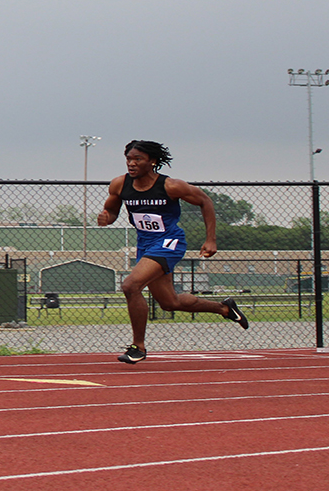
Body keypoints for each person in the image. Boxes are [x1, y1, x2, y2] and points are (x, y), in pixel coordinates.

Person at [97, 140, 250, 364]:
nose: (131, 163)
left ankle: (138, 346)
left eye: (137, 159)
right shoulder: (119, 185)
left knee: (130, 285)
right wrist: (105, 218)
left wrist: (210, 239)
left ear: (152, 162)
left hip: (169, 242)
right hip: (146, 245)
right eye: (128, 159)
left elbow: (205, 201)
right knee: (170, 303)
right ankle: (224, 308)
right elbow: (111, 211)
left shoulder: (171, 186)